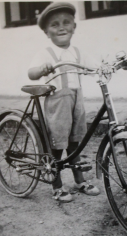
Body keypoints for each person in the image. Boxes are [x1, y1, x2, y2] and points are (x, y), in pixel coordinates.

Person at [28, 2, 100, 202]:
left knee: (75, 143)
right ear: (46, 31)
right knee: (58, 145)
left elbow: (94, 65)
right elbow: (31, 72)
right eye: (54, 25)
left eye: (66, 23)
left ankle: (79, 181)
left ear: (74, 27)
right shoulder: (46, 53)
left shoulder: (78, 52)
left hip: (77, 101)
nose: (61, 27)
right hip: (58, 103)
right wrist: (42, 68)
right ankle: (57, 186)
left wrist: (103, 67)